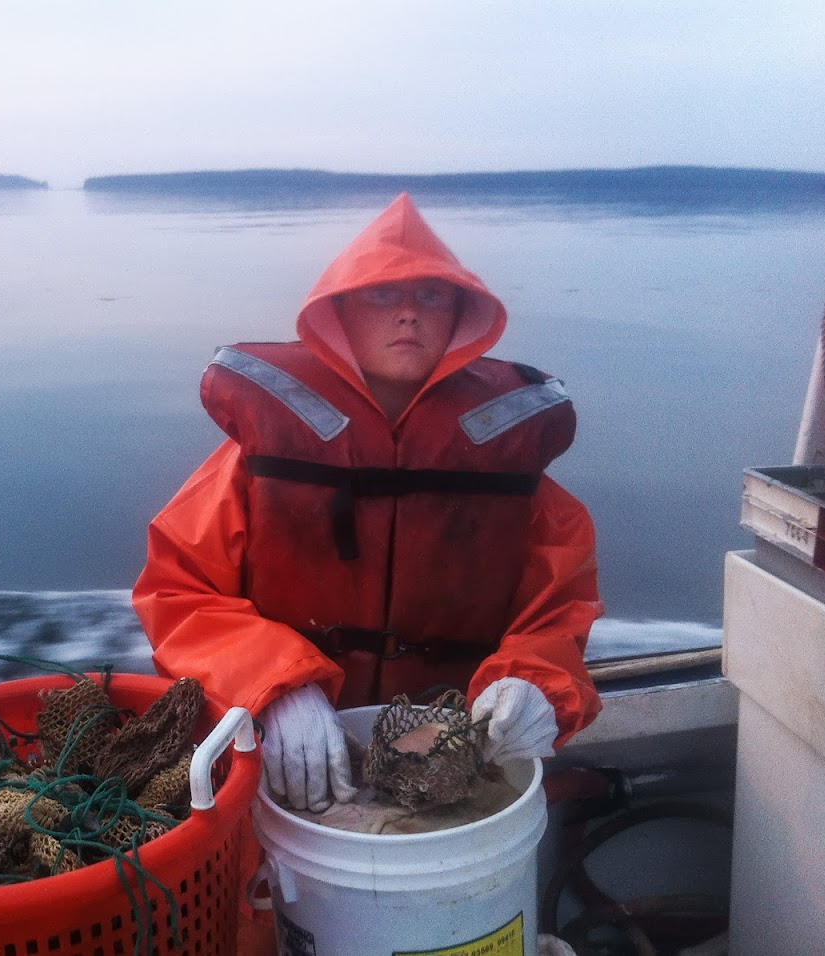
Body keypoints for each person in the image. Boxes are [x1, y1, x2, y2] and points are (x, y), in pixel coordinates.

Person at [132, 192, 603, 814]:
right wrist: (273, 684)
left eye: (432, 296)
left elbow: (559, 610)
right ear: (339, 315)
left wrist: (536, 683)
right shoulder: (256, 462)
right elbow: (178, 594)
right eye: (383, 296)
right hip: (283, 748)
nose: (409, 314)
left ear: (460, 316)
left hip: (455, 756)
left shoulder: (512, 466)